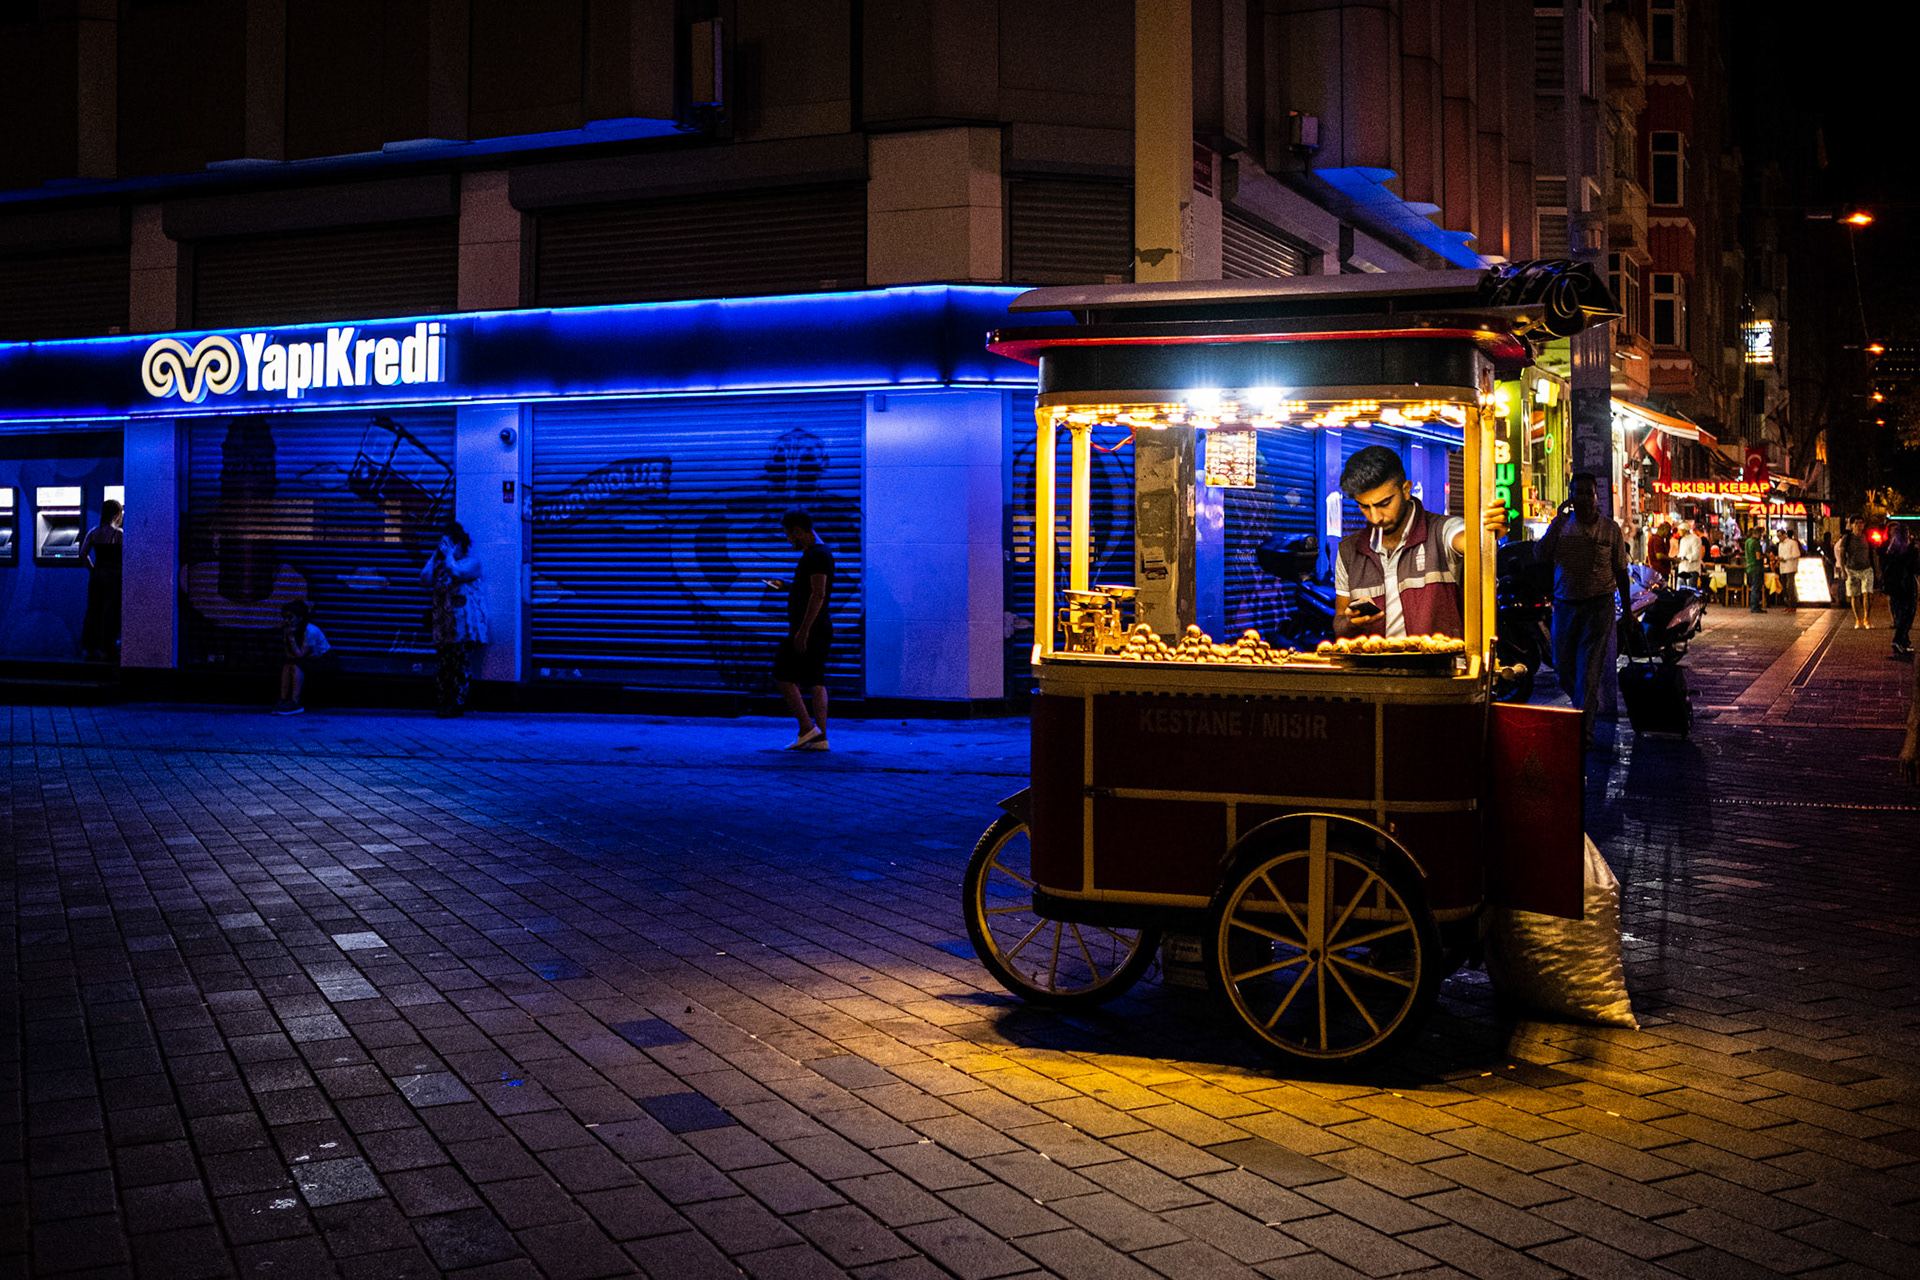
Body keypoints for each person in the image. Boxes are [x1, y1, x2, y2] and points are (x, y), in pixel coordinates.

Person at [1331, 445, 1507, 640]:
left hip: (1438, 669)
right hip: (1374, 669)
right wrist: (1350, 622)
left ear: (1406, 490)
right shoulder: (1348, 551)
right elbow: (1339, 624)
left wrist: (1489, 530)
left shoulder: (1442, 530)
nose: (1375, 517)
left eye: (1384, 504)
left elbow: (1471, 542)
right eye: (1365, 506)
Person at [1536, 472, 1633, 750]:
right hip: (1565, 605)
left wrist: (1626, 612)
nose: (1583, 499)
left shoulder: (1610, 530)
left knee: (1589, 671)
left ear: (1596, 496)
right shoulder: (1562, 527)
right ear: (1571, 497)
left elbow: (1621, 572)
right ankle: (1586, 703)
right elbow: (1539, 555)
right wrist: (1557, 522)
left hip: (1598, 607)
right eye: (1577, 493)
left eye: (1588, 493)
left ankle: (1584, 732)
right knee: (1563, 668)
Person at [770, 509, 834, 750]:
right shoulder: (818, 553)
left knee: (782, 675)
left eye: (789, 535)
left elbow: (818, 594)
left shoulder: (816, 555)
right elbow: (809, 589)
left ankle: (808, 729)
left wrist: (803, 631)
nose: (788, 539)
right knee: (816, 681)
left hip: (810, 629)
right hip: (818, 628)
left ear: (798, 531)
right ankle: (820, 738)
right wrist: (786, 585)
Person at [421, 522, 488, 717]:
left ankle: (457, 704)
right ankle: (443, 701)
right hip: (444, 624)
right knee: (444, 664)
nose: (445, 547)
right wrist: (435, 555)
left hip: (464, 626)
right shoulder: (442, 565)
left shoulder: (472, 563)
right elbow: (424, 580)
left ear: (459, 544)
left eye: (449, 543)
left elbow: (456, 573)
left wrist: (449, 554)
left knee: (460, 663)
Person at [77, 497, 124, 663]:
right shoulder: (118, 534)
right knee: (110, 613)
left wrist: (93, 570)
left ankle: (90, 649)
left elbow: (82, 555)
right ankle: (107, 650)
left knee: (93, 610)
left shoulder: (93, 532)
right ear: (116, 515)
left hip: (97, 575)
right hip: (114, 576)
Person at [276, 601, 332, 715]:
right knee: (288, 665)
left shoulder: (310, 631)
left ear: (300, 618)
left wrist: (290, 638)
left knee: (296, 666)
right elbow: (289, 654)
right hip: (307, 659)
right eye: (285, 617)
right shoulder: (288, 629)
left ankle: (295, 702)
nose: (286, 621)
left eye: (290, 618)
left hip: (322, 662)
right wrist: (289, 639)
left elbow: (300, 655)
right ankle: (284, 700)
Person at [1883, 523, 1917, 658]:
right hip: (1907, 585)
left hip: (1894, 587)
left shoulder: (1891, 550)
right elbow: (1914, 568)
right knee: (1908, 613)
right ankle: (1898, 640)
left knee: (1899, 612)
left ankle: (1902, 641)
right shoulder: (1911, 550)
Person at [1836, 518, 1877, 629]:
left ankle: (1867, 619)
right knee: (1854, 595)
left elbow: (1872, 553)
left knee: (1867, 594)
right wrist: (1843, 570)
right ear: (1852, 525)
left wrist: (1877, 570)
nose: (1859, 525)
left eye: (1861, 523)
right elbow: (1842, 554)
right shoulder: (1847, 538)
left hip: (1866, 568)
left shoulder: (1867, 537)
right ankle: (1858, 620)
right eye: (1856, 523)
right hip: (1851, 569)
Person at [1775, 526, 1801, 611]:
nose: (1779, 538)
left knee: (1790, 586)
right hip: (1783, 568)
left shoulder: (1792, 543)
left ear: (1785, 535)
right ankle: (1788, 604)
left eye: (1780, 536)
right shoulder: (1780, 545)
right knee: (1784, 586)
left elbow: (1796, 554)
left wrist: (1784, 558)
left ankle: (1793, 604)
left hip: (1790, 567)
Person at [1743, 525, 1767, 614]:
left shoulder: (1747, 541)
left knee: (1753, 587)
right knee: (1756, 588)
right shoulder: (1756, 542)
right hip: (1756, 568)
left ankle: (1753, 606)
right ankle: (1755, 607)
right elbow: (1758, 556)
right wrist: (1765, 556)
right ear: (1759, 534)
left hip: (1749, 567)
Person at [1675, 522, 1704, 592]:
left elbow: (1696, 554)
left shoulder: (1695, 539)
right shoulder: (1682, 540)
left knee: (1690, 590)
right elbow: (1681, 553)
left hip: (1692, 569)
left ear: (1684, 530)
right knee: (1680, 590)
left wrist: (1685, 557)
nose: (1678, 532)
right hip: (1682, 569)